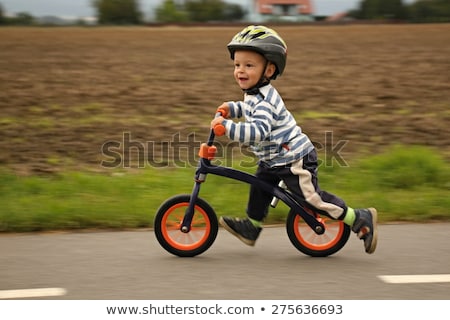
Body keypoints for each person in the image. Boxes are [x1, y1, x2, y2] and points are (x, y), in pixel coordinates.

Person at [210, 25, 378, 254]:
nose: (240, 70)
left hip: (294, 159)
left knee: (312, 199)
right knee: (259, 187)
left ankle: (359, 217)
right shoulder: (254, 94)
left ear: (268, 70)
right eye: (237, 65)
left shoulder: (265, 101)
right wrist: (232, 108)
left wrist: (226, 127)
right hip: (273, 158)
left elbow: (258, 130)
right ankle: (252, 226)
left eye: (249, 65)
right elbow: (249, 109)